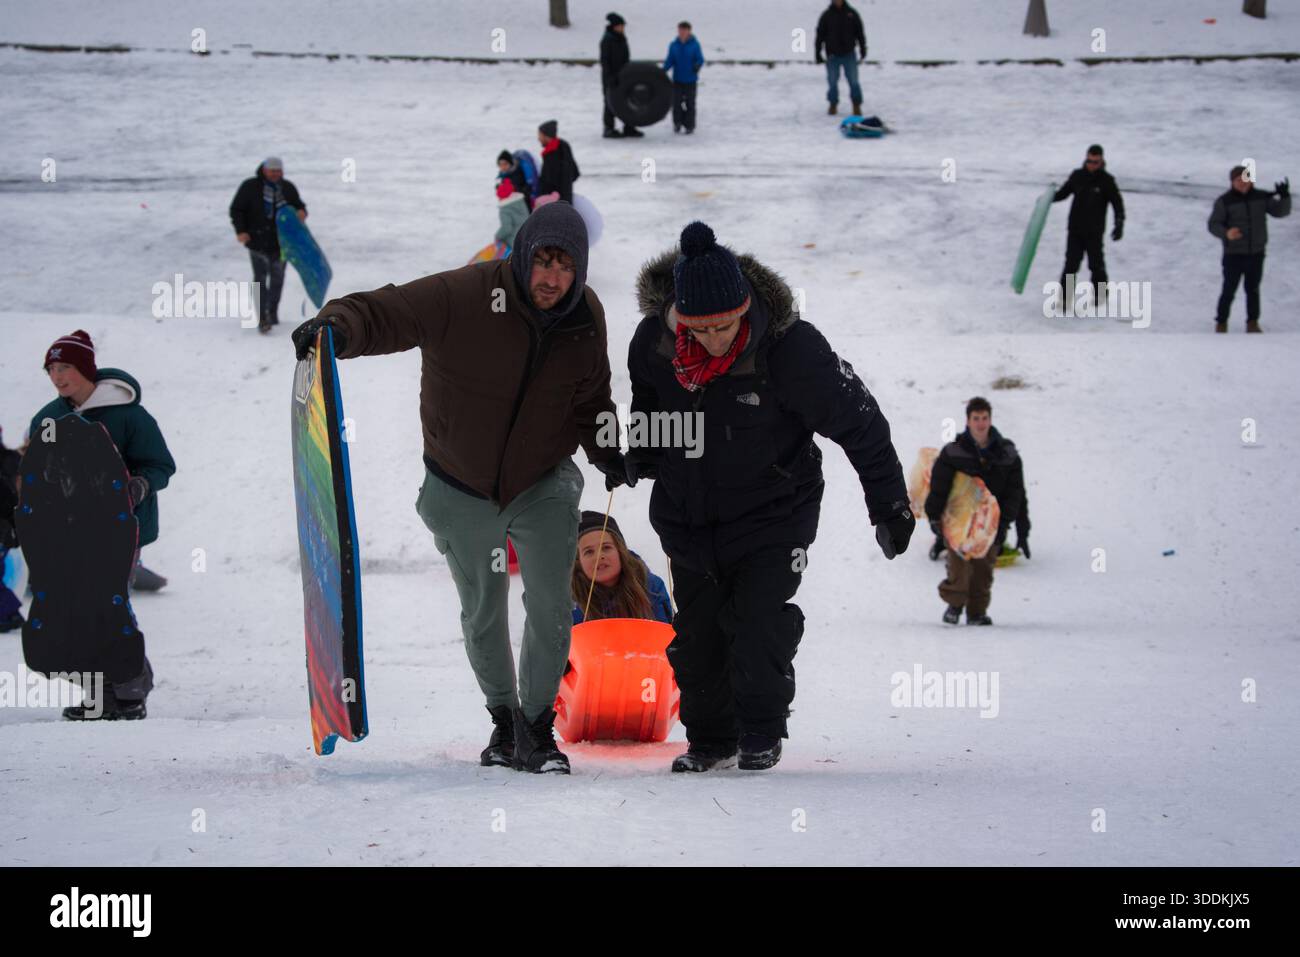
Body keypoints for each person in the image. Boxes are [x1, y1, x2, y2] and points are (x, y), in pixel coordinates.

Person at [291, 202, 623, 775]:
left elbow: (592, 399)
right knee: (483, 610)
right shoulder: (467, 294)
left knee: (550, 606)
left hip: (542, 481)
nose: (551, 278)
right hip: (460, 484)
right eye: (542, 262)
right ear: (521, 256)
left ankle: (538, 728)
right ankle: (503, 722)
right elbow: (390, 310)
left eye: (565, 267)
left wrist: (608, 448)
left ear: (581, 270)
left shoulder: (584, 315)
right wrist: (339, 325)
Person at [625, 221, 915, 772]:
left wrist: (891, 505)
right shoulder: (655, 343)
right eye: (700, 328)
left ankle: (760, 730)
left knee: (758, 623)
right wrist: (641, 452)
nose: (714, 339)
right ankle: (710, 739)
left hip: (775, 513)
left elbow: (861, 423)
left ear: (745, 307)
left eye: (726, 326)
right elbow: (648, 406)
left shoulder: (790, 349)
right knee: (699, 635)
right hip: (688, 517)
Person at [28, 330, 177, 718]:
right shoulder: (49, 418)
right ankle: (102, 693)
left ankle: (130, 690)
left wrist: (141, 485)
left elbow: (161, 464)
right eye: (52, 369)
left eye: (65, 367)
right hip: (67, 532)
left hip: (120, 529)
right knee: (74, 611)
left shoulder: (127, 414)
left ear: (86, 369)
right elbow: (34, 470)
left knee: (109, 606)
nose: (58, 377)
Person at [924, 397, 1028, 627]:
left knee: (983, 571)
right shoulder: (954, 453)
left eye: (984, 418)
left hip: (991, 524)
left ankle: (977, 613)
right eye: (976, 418)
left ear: (990, 420)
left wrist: (1021, 529)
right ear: (968, 421)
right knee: (958, 567)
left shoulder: (1007, 454)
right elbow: (939, 488)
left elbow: (1017, 494)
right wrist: (934, 516)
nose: (980, 423)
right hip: (959, 521)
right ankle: (955, 605)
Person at [229, 157, 308, 332]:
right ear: (264, 170)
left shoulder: (287, 188)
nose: (275, 174)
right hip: (257, 242)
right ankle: (262, 317)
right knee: (260, 279)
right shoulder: (250, 187)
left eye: (278, 171)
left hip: (282, 243)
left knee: (278, 279)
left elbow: (298, 206)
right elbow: (236, 210)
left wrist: (302, 212)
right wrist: (241, 230)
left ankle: (272, 312)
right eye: (272, 171)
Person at [1208, 166, 1290, 333]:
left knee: (1253, 289)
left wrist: (1284, 196)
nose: (1243, 183)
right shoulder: (1224, 201)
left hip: (1256, 253)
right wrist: (1226, 233)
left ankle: (1252, 323)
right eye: (1239, 180)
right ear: (1232, 182)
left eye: (1246, 180)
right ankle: (1221, 323)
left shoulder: (1261, 197)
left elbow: (1281, 212)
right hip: (1233, 254)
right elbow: (1213, 224)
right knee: (1229, 289)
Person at [1052, 145, 1124, 308]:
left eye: (1095, 162)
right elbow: (1063, 193)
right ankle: (1064, 299)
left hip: (1094, 231)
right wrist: (1048, 199)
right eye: (1089, 161)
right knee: (1071, 263)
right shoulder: (1077, 176)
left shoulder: (1107, 181)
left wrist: (1119, 223)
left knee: (1096, 264)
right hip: (1075, 229)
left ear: (1101, 161)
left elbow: (1117, 203)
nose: (1091, 165)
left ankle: (1100, 296)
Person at [571, 511, 673, 625]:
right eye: (589, 552)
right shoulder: (570, 603)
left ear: (620, 551)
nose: (599, 556)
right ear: (578, 562)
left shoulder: (651, 588)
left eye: (606, 547)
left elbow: (666, 634)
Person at [815, 0, 867, 116]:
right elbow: (820, 35)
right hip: (832, 55)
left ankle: (856, 105)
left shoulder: (852, 14)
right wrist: (817, 53)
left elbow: (860, 32)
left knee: (853, 81)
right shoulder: (826, 15)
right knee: (832, 82)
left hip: (849, 54)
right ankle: (833, 104)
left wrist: (863, 49)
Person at [600, 12, 642, 138]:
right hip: (611, 77)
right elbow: (605, 61)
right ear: (614, 26)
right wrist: (610, 77)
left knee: (627, 101)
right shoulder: (607, 40)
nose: (623, 28)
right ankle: (608, 128)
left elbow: (625, 58)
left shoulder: (621, 38)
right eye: (621, 26)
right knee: (609, 102)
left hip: (624, 76)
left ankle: (629, 127)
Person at [663, 21, 705, 134]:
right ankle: (677, 123)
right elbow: (670, 60)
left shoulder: (695, 45)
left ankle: (689, 125)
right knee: (677, 103)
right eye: (680, 30)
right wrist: (663, 71)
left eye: (684, 30)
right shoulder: (673, 45)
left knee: (689, 104)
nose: (681, 32)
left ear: (689, 31)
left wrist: (696, 66)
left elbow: (700, 59)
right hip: (677, 80)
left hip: (690, 80)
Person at [0, 426, 22, 633]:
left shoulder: (9, 461)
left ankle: (10, 616)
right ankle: (10, 615)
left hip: (4, 528)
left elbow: (12, 498)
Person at [536, 120, 581, 206]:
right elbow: (575, 173)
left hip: (555, 203)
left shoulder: (551, 153)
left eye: (540, 135)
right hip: (566, 201)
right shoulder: (564, 146)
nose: (538, 138)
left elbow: (548, 182)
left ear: (547, 135)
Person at [494, 178, 528, 249]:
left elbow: (506, 228)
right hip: (526, 238)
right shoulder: (521, 203)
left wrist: (497, 237)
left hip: (512, 242)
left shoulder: (504, 210)